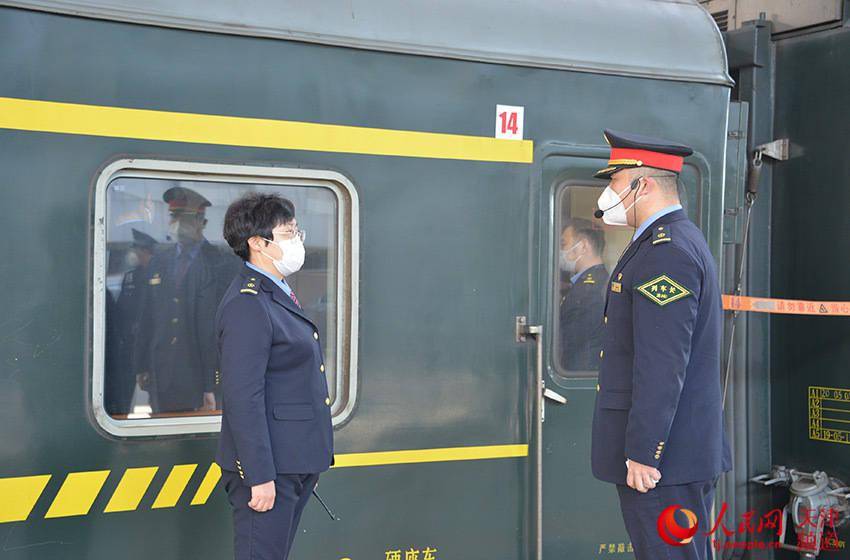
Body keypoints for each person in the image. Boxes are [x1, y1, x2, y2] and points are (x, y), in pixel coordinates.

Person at [590, 130, 732, 560]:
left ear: (642, 184)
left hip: (664, 463)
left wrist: (643, 452)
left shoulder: (664, 252)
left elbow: (662, 362)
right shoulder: (669, 242)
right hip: (676, 457)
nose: (607, 195)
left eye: (614, 183)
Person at [216, 192, 334, 560]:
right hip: (270, 469)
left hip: (294, 459)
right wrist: (259, 475)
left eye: (296, 230)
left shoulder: (276, 293)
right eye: (288, 232)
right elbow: (242, 396)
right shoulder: (248, 303)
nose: (297, 240)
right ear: (258, 243)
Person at [133, 186, 238, 414]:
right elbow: (147, 316)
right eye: (174, 217)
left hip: (200, 377)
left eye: (186, 218)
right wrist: (142, 364)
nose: (178, 223)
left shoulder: (221, 263)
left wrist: (212, 383)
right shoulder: (160, 260)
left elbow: (223, 328)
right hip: (161, 373)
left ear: (202, 222)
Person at [105, 228, 158, 415]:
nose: (135, 254)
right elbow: (121, 310)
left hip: (151, 344)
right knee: (124, 391)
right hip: (129, 345)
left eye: (139, 250)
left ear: (147, 252)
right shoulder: (130, 277)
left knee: (155, 395)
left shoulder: (159, 276)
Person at [558, 219, 609, 371]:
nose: (560, 251)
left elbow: (573, 341)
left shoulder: (589, 291)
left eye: (563, 244)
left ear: (583, 246)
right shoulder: (591, 283)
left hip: (579, 369)